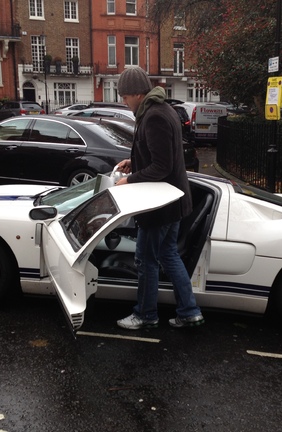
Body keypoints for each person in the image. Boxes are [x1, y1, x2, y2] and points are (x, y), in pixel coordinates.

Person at [114, 66, 204, 330]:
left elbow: (162, 167)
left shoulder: (154, 116)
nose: (123, 102)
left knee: (145, 260)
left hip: (159, 205)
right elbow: (162, 157)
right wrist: (135, 161)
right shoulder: (161, 110)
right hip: (172, 201)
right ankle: (189, 311)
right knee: (168, 255)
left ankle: (145, 314)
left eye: (125, 96)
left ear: (137, 94)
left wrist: (128, 180)